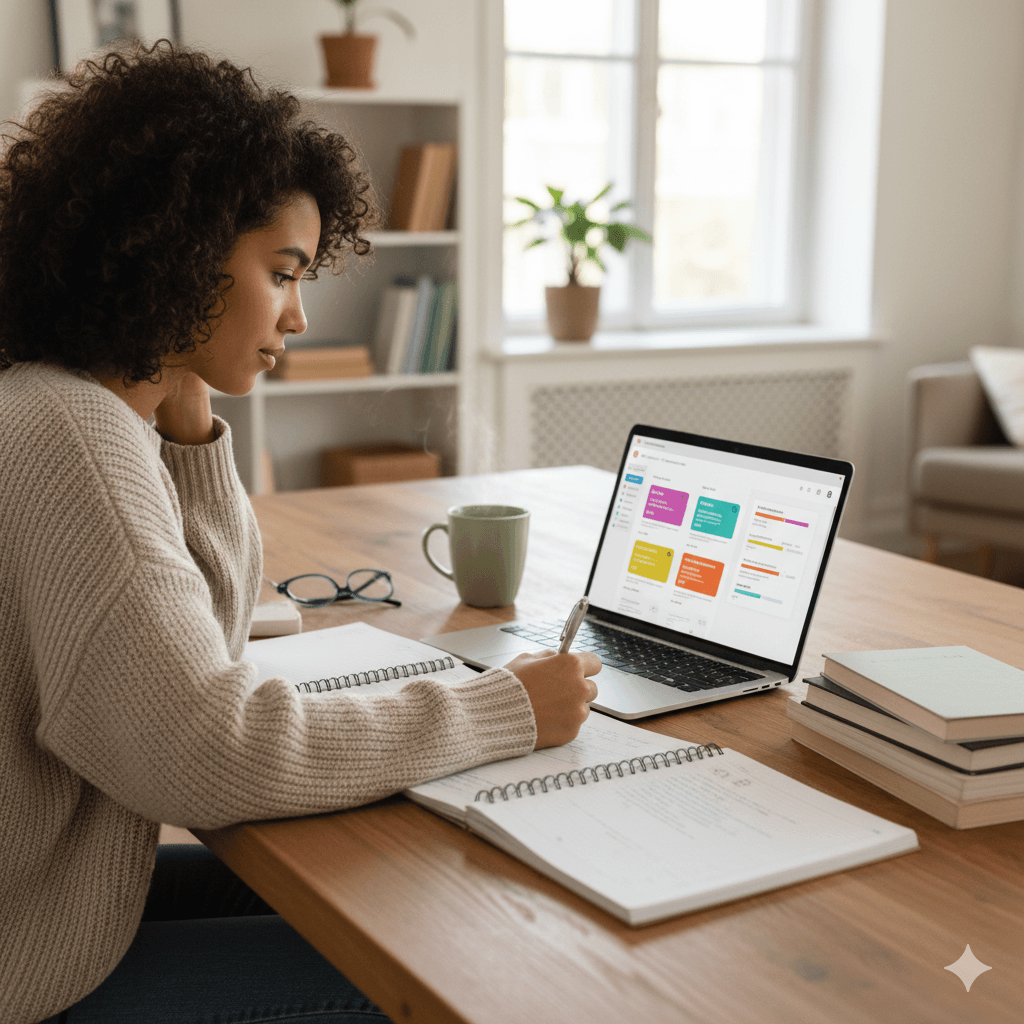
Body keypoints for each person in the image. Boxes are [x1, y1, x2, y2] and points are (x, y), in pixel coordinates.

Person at [0, 45, 600, 1024]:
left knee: (358, 895)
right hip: (25, 965)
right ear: (183, 247)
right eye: (280, 272)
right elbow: (207, 751)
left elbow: (212, 642)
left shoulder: (65, 403)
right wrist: (504, 711)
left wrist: (185, 401)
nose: (298, 313)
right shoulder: (79, 441)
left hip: (36, 901)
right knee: (437, 970)